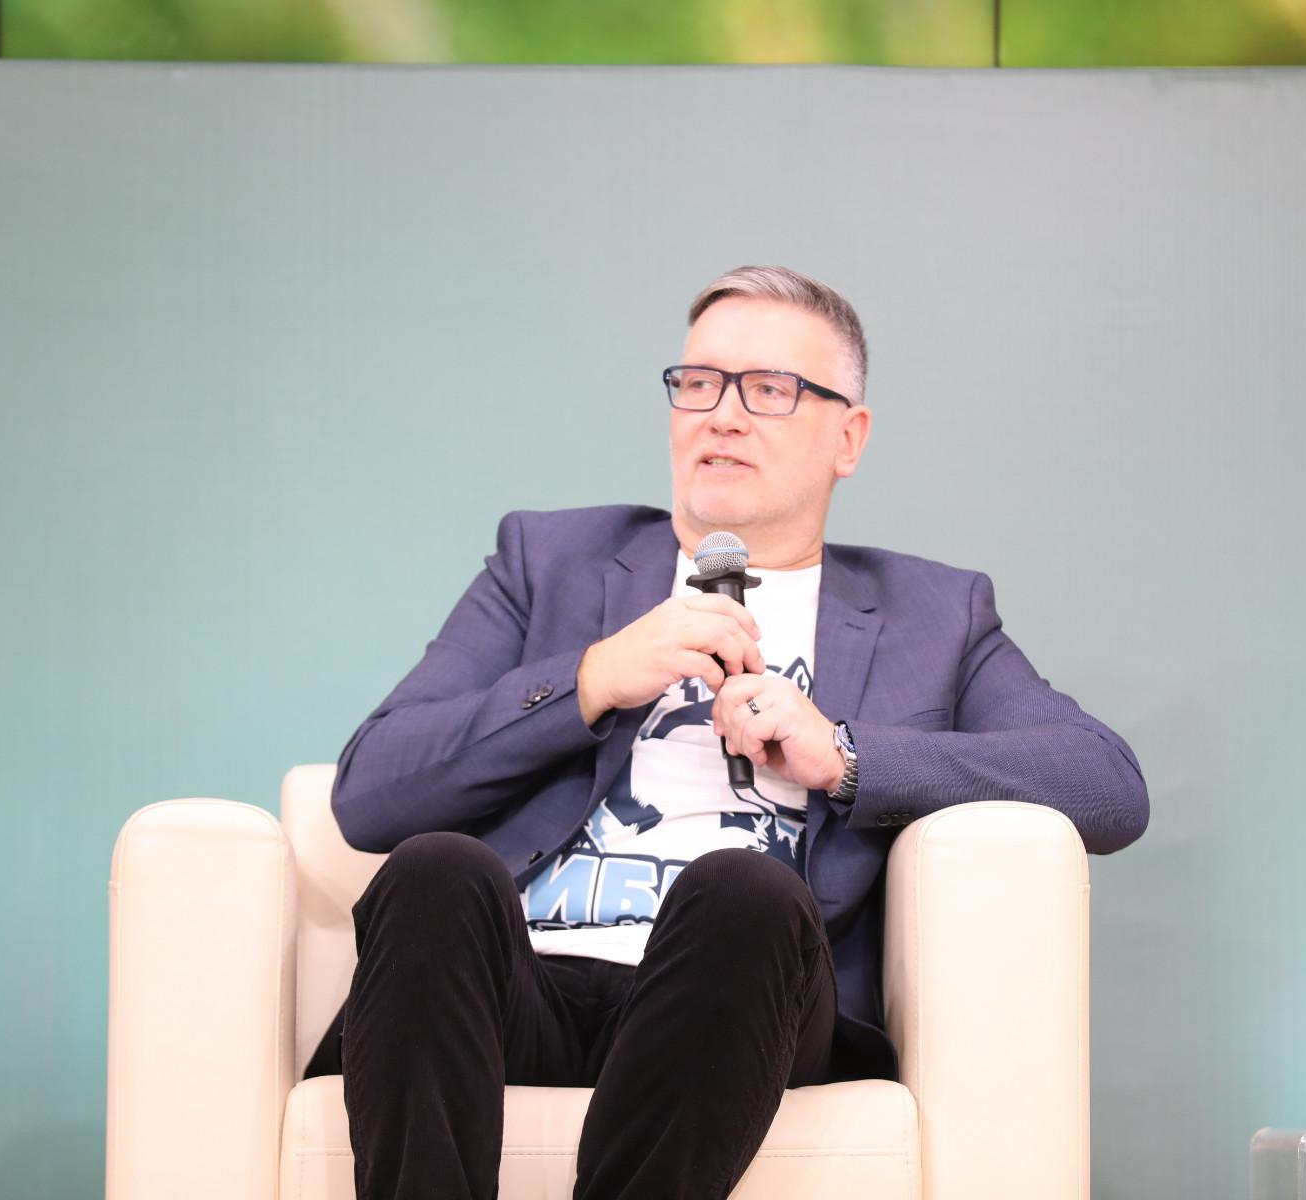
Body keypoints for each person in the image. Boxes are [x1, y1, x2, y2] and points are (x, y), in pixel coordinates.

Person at [308, 266, 1149, 1199]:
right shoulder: (547, 561)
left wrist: (845, 756)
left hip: (736, 997)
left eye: (771, 389)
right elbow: (369, 790)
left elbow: (1106, 784)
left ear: (848, 437)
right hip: (523, 986)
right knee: (433, 870)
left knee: (743, 890)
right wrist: (591, 679)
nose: (724, 416)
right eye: (701, 382)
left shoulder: (933, 613)